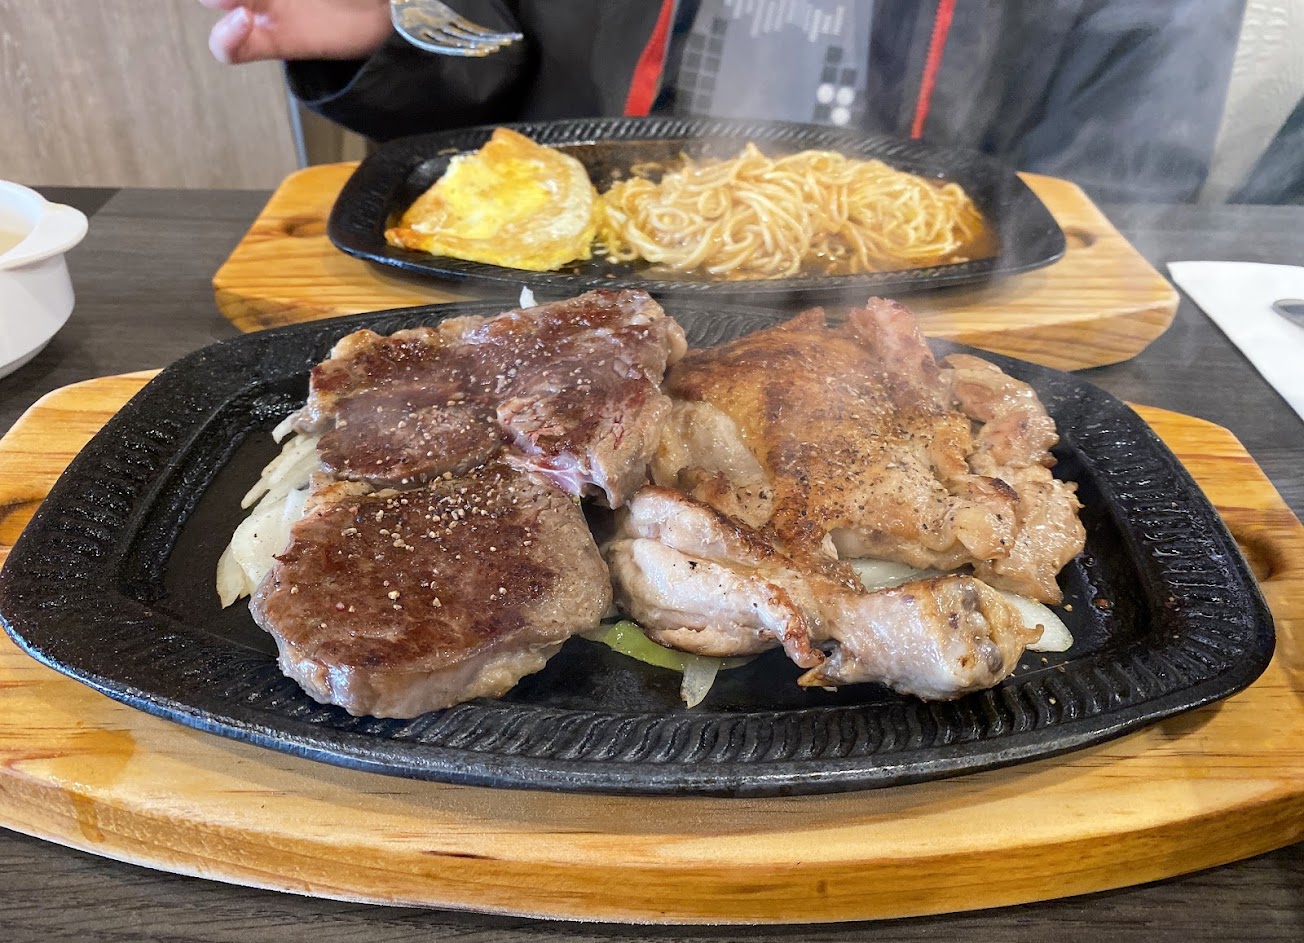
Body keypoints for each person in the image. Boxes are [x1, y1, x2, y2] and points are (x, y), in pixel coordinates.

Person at [201, 0, 1246, 204]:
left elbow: (1114, 193)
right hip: (584, 277)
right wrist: (397, 25)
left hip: (933, 331)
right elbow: (489, 41)